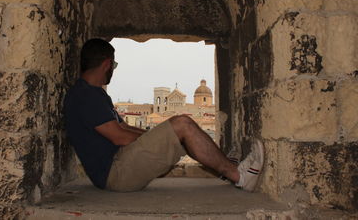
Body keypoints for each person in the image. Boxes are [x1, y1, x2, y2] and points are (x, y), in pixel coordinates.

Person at [64, 38, 264, 192]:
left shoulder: (94, 93)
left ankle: (226, 169)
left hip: (118, 165)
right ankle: (240, 177)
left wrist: (160, 135)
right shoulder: (85, 96)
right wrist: (165, 136)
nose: (113, 70)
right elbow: (119, 136)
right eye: (114, 66)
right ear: (107, 64)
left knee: (178, 129)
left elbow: (123, 127)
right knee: (183, 124)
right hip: (115, 173)